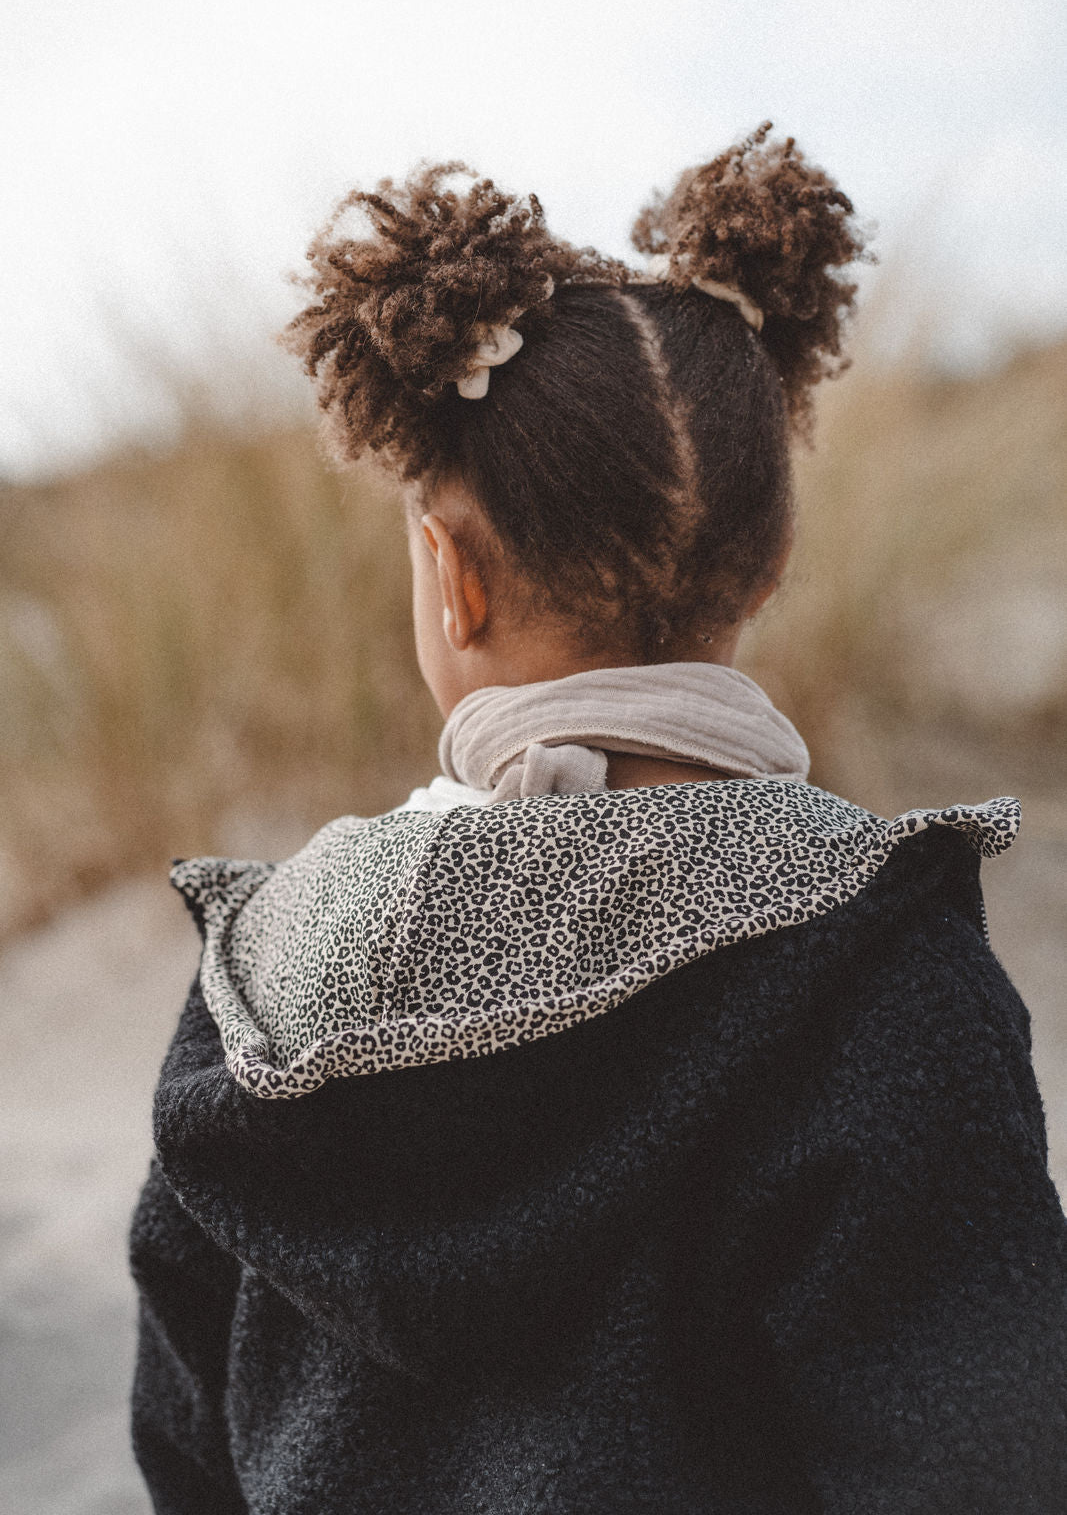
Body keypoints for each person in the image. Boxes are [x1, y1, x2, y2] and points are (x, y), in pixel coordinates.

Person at [129, 125, 1067, 1513]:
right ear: (773, 564)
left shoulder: (258, 989)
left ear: (450, 581)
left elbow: (186, 1443)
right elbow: (983, 1458)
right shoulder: (883, 972)